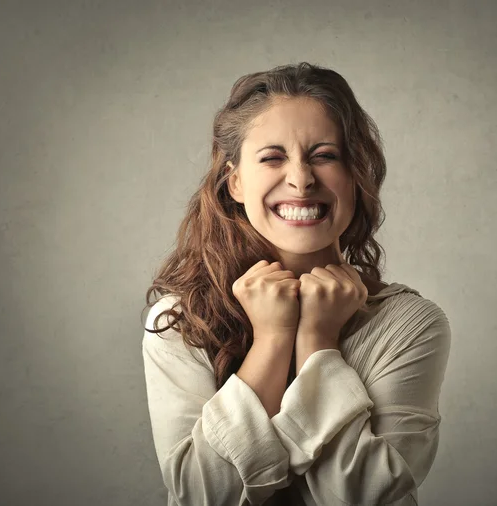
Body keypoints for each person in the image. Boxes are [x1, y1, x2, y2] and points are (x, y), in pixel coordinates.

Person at [140, 61, 451, 506]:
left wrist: (316, 342)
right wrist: (272, 338)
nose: (301, 180)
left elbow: (368, 498)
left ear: (355, 175)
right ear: (236, 182)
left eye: (324, 156)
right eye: (272, 157)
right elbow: (200, 496)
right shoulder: (180, 320)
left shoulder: (410, 325)